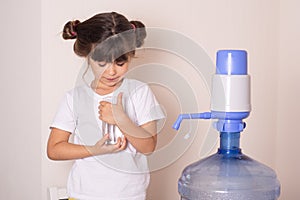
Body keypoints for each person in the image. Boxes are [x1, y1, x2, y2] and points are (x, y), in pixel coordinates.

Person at [47, 12, 165, 200]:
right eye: (101, 63)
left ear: (130, 55)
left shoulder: (139, 92)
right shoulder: (74, 98)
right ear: (87, 56)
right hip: (83, 195)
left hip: (130, 196)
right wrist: (95, 150)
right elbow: (54, 149)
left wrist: (121, 119)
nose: (111, 71)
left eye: (120, 62)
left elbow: (148, 146)